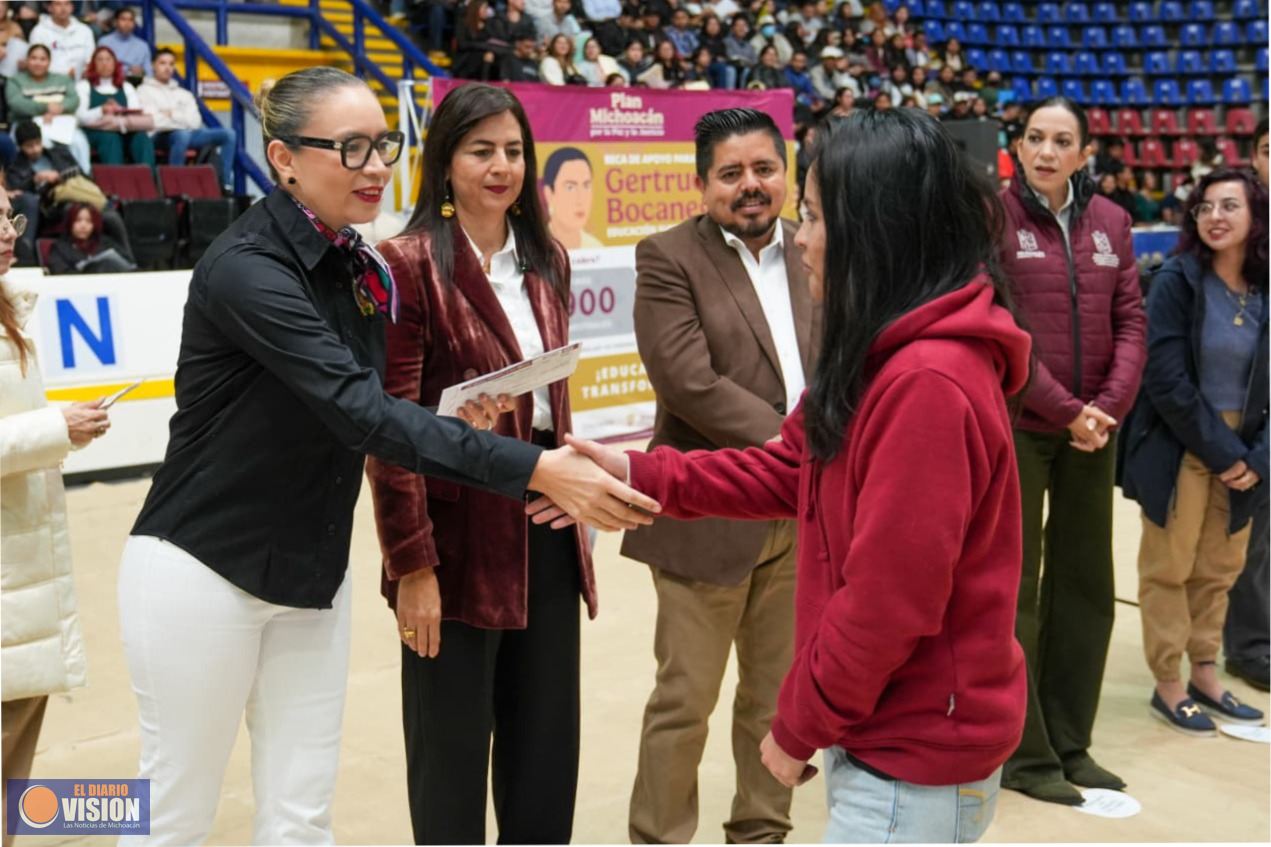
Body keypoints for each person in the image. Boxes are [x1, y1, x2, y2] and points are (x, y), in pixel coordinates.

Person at [115, 67, 659, 847]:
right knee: (173, 805)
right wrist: (530, 469)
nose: (375, 166)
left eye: (383, 145)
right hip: (203, 566)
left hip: (310, 569)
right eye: (352, 148)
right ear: (283, 158)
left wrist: (453, 412)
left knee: (301, 812)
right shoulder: (248, 269)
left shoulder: (360, 267)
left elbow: (389, 406)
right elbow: (360, 411)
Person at [535, 107, 1030, 844]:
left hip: (915, 747)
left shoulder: (926, 380)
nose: (801, 236)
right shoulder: (880, 347)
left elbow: (887, 602)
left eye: (818, 217)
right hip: (881, 732)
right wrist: (639, 467)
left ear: (874, 229)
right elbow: (783, 462)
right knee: (686, 698)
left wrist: (797, 727)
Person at [369, 81, 595, 846]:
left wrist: (581, 509)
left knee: (543, 756)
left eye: (512, 150)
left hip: (545, 525)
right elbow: (390, 432)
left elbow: (553, 404)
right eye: (479, 150)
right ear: (443, 161)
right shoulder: (403, 265)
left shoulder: (547, 259)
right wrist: (413, 566)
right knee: (451, 764)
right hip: (455, 545)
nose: (500, 166)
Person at [622, 108, 819, 845]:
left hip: (800, 516)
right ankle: (659, 836)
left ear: (784, 173)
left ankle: (762, 829)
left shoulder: (815, 245)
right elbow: (688, 383)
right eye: (730, 173)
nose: (750, 186)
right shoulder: (666, 255)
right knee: (684, 699)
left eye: (763, 169)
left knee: (775, 700)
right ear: (701, 183)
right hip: (710, 510)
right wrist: (803, 443)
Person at [997, 96, 1145, 805]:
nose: (1046, 151)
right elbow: (995, 326)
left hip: (1094, 431)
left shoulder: (1112, 223)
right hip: (1022, 425)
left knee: (1085, 585)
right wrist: (1063, 409)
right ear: (1017, 147)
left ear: (1084, 154)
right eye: (1034, 138)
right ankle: (1023, 755)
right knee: (1016, 589)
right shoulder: (991, 219)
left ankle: (1069, 742)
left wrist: (1106, 410)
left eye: (1061, 141)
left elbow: (1131, 322)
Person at [1120, 168, 1268, 733]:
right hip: (1184, 442)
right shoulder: (1177, 280)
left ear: (1256, 217)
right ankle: (1168, 683)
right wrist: (1226, 452)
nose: (1215, 217)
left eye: (1229, 206)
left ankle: (1206, 671)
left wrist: (1257, 459)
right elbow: (1165, 379)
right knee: (1169, 567)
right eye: (1204, 207)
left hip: (1248, 451)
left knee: (1220, 569)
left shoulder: (1266, 287)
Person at [0, 189, 109, 847]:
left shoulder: (13, 305)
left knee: (18, 750)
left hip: (24, 569)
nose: (7, 231)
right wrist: (53, 428)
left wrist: (60, 429)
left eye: (8, 215)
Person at [1224, 118, 1271, 693]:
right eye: (1267, 147)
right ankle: (1250, 646)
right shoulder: (1241, 224)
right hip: (1250, 399)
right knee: (1252, 535)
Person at [139, 48, 237, 191]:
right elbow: (153, 121)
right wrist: (180, 117)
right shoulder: (143, 91)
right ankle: (173, 185)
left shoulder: (183, 93)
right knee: (182, 135)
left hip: (187, 133)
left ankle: (224, 184)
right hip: (157, 136)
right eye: (162, 63)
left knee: (229, 134)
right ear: (153, 65)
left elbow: (195, 121)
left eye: (171, 64)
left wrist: (171, 114)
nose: (167, 68)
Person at [4, 43, 91, 173]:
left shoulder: (62, 80)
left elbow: (74, 100)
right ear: (27, 61)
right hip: (26, 125)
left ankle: (84, 177)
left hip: (60, 124)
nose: (38, 63)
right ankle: (41, 182)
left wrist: (60, 108)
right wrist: (45, 108)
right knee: (42, 143)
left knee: (79, 142)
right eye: (33, 58)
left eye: (42, 59)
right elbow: (16, 103)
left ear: (49, 62)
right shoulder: (15, 81)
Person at [76, 45, 156, 168]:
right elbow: (80, 117)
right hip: (96, 132)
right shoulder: (84, 86)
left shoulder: (126, 87)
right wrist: (101, 110)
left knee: (141, 138)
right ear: (93, 64)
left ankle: (150, 180)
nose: (104, 63)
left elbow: (135, 113)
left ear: (115, 63)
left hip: (123, 129)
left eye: (108, 59)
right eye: (100, 59)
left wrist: (119, 110)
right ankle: (115, 183)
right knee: (110, 138)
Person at [47, 201, 134, 274]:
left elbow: (129, 265)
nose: (83, 226)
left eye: (88, 221)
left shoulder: (105, 242)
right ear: (71, 223)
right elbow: (60, 273)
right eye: (78, 220)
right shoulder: (59, 247)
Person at [543, 147, 600, 249]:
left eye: (586, 186)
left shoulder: (596, 248)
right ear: (549, 194)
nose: (580, 199)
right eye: (570, 187)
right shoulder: (534, 247)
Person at [27, 0, 95, 79]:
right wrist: (65, 73)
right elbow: (37, 63)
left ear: (72, 7)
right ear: (49, 7)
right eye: (58, 4)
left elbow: (90, 59)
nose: (63, 8)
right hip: (50, 81)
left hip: (81, 81)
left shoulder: (85, 30)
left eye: (67, 4)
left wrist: (80, 71)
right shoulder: (39, 31)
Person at [96, 5, 149, 80]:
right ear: (115, 22)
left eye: (131, 20)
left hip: (136, 83)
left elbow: (149, 73)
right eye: (123, 19)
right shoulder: (104, 42)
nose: (127, 23)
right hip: (109, 82)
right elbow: (98, 68)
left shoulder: (143, 46)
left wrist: (142, 72)